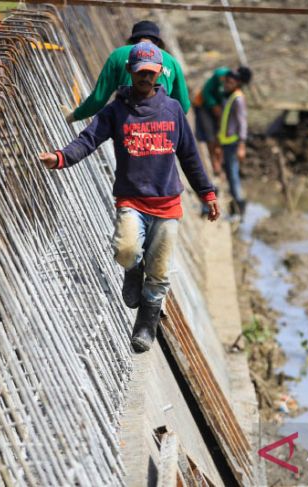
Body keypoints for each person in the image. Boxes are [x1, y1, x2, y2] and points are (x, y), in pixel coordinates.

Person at [39, 42, 219, 353]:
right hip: (132, 201)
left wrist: (208, 193)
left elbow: (189, 156)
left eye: (151, 73)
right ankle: (133, 271)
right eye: (140, 73)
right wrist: (61, 158)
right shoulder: (116, 110)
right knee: (125, 250)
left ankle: (146, 325)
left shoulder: (173, 110)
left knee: (160, 271)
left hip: (167, 204)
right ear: (130, 72)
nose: (145, 79)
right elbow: (89, 139)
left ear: (160, 73)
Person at [64, 21, 190, 123]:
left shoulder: (118, 55)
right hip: (161, 129)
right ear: (157, 42)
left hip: (128, 124)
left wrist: (74, 116)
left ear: (133, 40)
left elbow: (98, 99)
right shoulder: (172, 63)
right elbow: (183, 106)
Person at [217, 66, 252, 216]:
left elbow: (242, 122)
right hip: (227, 142)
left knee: (233, 175)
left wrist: (242, 145)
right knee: (231, 176)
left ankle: (238, 210)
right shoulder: (230, 96)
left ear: (237, 83)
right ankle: (235, 210)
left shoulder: (237, 98)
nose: (227, 84)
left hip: (233, 143)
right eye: (227, 82)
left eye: (230, 82)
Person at [192, 66, 232, 174]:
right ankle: (214, 160)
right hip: (204, 107)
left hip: (218, 108)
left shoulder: (229, 83)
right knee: (209, 134)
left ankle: (219, 157)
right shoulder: (215, 80)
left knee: (219, 133)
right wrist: (214, 106)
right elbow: (206, 93)